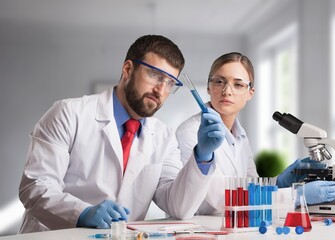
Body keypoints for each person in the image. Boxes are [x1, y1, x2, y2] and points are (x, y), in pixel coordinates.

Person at [18, 35, 226, 233]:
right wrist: (82, 213)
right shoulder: (68, 113)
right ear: (128, 69)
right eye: (155, 75)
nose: (161, 90)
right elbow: (36, 187)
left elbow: (178, 206)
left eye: (171, 82)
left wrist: (203, 156)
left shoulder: (163, 137)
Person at [175, 52, 335, 215]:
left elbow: (250, 187)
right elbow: (222, 196)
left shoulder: (239, 134)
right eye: (219, 81)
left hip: (235, 225)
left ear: (250, 93)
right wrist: (295, 196)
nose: (227, 90)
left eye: (238, 84)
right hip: (202, 226)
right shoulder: (190, 131)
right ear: (208, 87)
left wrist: (277, 183)